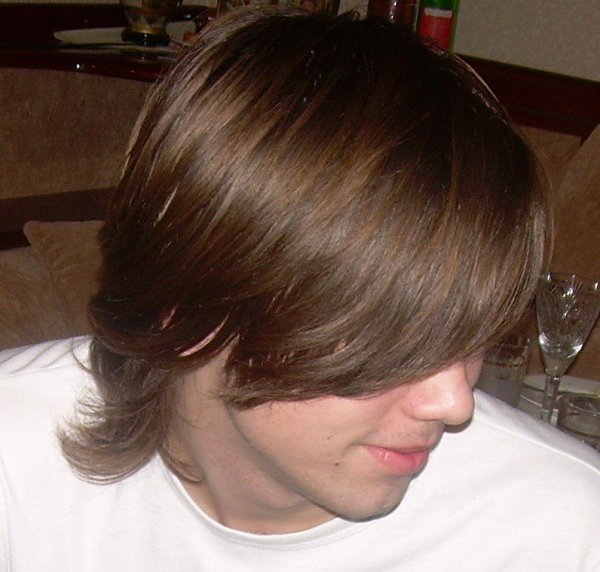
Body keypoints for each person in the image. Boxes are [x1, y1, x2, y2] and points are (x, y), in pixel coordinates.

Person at [1, 8, 598, 571]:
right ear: (185, 308)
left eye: (469, 337)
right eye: (391, 342)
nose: (454, 402)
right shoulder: (16, 464)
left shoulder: (559, 530)